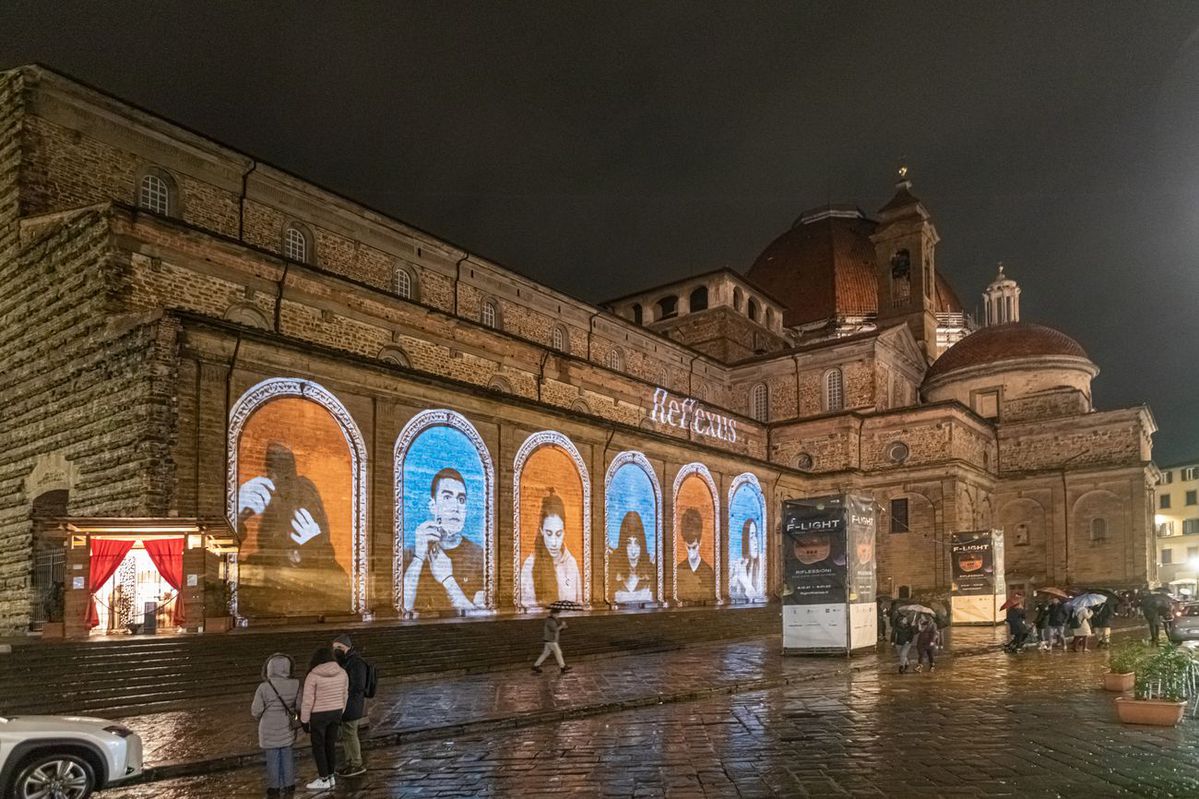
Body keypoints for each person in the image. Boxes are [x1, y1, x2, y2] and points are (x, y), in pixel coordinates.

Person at [237, 442, 346, 613]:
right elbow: (224, 579)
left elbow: (340, 597)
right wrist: (236, 513)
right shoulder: (259, 568)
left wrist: (315, 548)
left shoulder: (326, 572)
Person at [402, 468, 485, 613]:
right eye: (447, 497)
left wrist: (447, 579)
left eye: (461, 500)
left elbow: (480, 617)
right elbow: (403, 608)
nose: (455, 507)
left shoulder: (479, 556)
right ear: (433, 506)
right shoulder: (410, 553)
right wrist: (418, 558)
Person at [520, 490, 581, 608]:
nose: (554, 543)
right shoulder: (530, 565)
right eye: (549, 533)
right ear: (541, 531)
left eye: (558, 534)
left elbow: (579, 605)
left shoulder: (571, 564)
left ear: (564, 532)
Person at [250, 652, 299, 798]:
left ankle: (274, 787)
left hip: (268, 727)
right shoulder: (295, 684)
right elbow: (299, 705)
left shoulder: (264, 687)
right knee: (287, 754)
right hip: (287, 725)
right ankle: (289, 784)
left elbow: (256, 710)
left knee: (272, 758)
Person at [300, 647, 348, 792]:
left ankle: (323, 778)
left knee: (319, 747)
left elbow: (307, 700)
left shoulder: (313, 675)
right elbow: (345, 694)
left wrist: (304, 719)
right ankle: (331, 776)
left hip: (319, 715)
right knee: (330, 744)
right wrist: (340, 710)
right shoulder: (342, 672)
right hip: (336, 712)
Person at [332, 634, 368, 778]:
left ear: (347, 647)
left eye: (339, 647)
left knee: (351, 733)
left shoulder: (356, 663)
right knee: (347, 735)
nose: (336, 650)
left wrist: (343, 689)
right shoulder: (344, 662)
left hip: (352, 704)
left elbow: (358, 685)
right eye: (334, 648)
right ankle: (350, 762)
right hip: (344, 704)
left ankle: (356, 763)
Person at [611, 511, 655, 604]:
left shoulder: (650, 577)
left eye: (637, 543)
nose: (633, 552)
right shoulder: (613, 577)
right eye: (628, 543)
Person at [675, 508, 715, 599]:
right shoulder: (678, 570)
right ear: (685, 544)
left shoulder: (708, 572)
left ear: (700, 543)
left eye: (694, 547)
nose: (691, 552)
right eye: (688, 548)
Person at [730, 518, 765, 601]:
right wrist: (734, 581)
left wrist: (744, 579)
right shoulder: (742, 563)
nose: (756, 541)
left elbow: (758, 599)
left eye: (756, 536)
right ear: (745, 541)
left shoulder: (763, 563)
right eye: (751, 537)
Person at [531, 606, 571, 674]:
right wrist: (562, 625)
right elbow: (554, 630)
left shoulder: (553, 620)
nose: (558, 615)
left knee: (545, 654)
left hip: (549, 640)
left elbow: (557, 630)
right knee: (558, 653)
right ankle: (563, 667)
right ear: (553, 614)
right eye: (557, 614)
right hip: (551, 640)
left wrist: (563, 627)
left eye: (558, 614)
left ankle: (536, 665)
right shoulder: (550, 621)